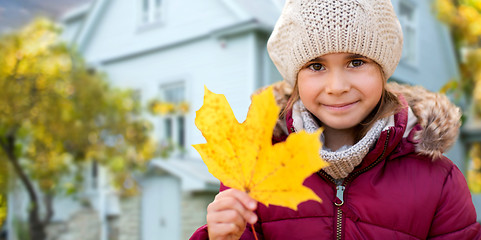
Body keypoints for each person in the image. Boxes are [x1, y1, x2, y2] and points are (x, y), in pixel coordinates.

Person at [191, 0, 481, 239]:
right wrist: (220, 236)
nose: (337, 86)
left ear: (383, 70)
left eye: (356, 62)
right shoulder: (253, 169)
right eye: (316, 66)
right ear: (295, 80)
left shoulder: (439, 180)